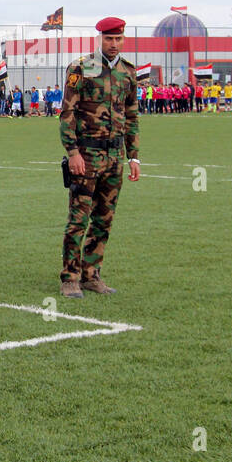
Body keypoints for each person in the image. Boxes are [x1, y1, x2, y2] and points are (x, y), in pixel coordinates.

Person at [58, 16, 140, 298]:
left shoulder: (128, 72)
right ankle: (70, 277)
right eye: (109, 39)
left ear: (124, 39)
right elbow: (67, 113)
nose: (114, 44)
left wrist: (134, 156)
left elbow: (132, 115)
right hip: (86, 156)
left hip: (115, 157)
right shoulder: (82, 67)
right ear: (99, 39)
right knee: (79, 218)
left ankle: (91, 275)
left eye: (118, 39)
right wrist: (72, 153)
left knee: (104, 220)